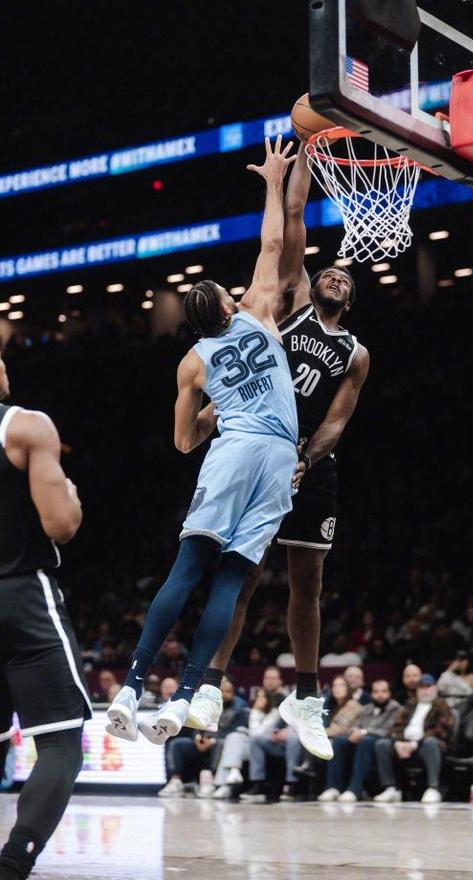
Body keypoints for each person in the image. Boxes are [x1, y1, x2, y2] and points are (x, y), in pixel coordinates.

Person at [106, 136, 299, 745]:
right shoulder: (258, 312)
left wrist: (217, 409)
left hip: (235, 450)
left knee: (188, 567)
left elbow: (183, 442)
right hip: (279, 458)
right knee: (230, 581)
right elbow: (273, 245)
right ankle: (184, 695)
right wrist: (274, 181)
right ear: (226, 305)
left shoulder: (191, 363)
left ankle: (131, 686)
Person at [188, 143, 370, 761]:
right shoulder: (290, 307)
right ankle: (209, 686)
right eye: (329, 272)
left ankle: (307, 698)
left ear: (351, 298)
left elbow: (337, 422)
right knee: (242, 576)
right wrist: (305, 153)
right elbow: (292, 218)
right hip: (259, 453)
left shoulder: (356, 354)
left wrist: (307, 460)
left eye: (346, 278)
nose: (336, 275)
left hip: (309, 465)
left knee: (307, 583)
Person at [0, 350, 90, 880]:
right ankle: (14, 862)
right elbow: (60, 525)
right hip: (21, 596)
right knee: (60, 742)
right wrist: (71, 497)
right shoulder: (25, 426)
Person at [159, 678, 248, 799]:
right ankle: (176, 781)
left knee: (220, 744)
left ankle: (211, 782)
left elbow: (234, 730)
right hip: (202, 741)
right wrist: (197, 738)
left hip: (220, 742)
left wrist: (212, 741)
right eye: (222, 691)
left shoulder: (239, 708)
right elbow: (196, 722)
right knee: (177, 744)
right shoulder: (209, 705)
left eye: (228, 691)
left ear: (233, 693)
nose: (224, 694)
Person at [374, 675, 454, 804]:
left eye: (428, 687)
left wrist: (415, 744)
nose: (425, 691)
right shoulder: (410, 704)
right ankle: (391, 788)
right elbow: (396, 727)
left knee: (430, 742)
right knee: (382, 744)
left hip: (427, 745)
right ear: (417, 690)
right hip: (404, 744)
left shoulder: (442, 706)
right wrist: (397, 742)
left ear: (435, 689)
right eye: (421, 688)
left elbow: (442, 731)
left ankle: (433, 788)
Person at [318, 679, 400, 803]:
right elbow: (355, 725)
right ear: (371, 693)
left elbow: (388, 730)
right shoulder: (366, 708)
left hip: (381, 741)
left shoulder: (395, 708)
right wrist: (355, 731)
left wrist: (363, 732)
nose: (380, 695)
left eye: (384, 691)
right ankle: (333, 787)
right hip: (362, 738)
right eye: (376, 691)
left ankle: (354, 789)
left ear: (390, 693)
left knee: (365, 741)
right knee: (339, 741)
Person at [212, 687, 280, 799]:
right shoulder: (253, 712)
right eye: (257, 697)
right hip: (252, 747)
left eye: (262, 697)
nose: (259, 700)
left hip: (265, 747)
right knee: (233, 736)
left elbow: (257, 733)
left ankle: (222, 785)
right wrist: (255, 712)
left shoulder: (274, 713)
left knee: (236, 743)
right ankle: (233, 773)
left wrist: (255, 712)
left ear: (269, 699)